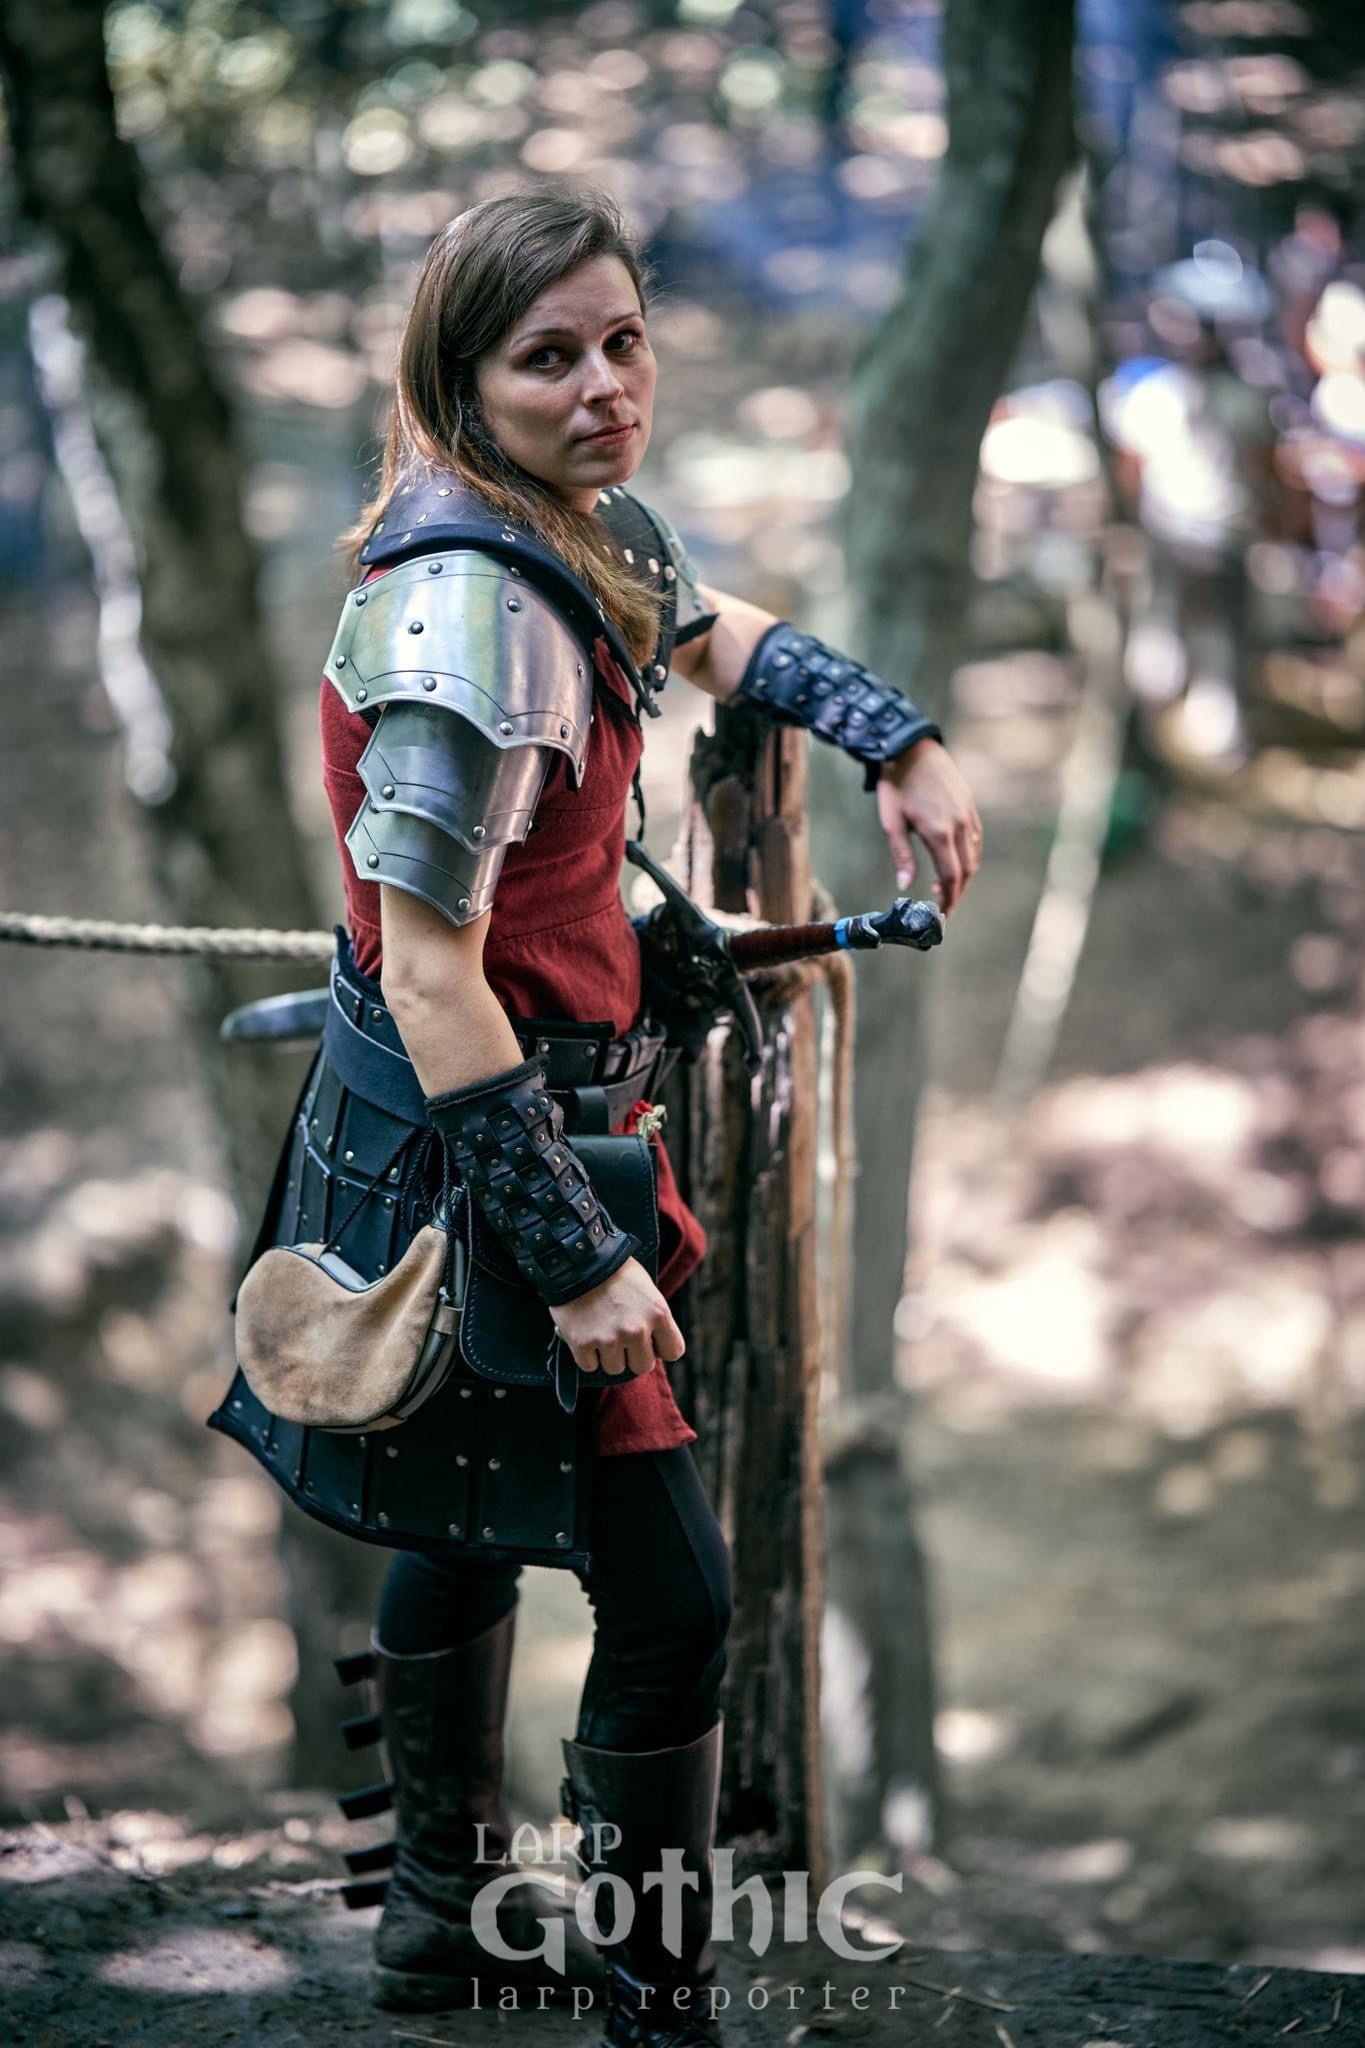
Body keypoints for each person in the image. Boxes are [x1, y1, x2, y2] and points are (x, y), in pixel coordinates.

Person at [209, 185, 982, 2038]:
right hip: (476, 1146)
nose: (604, 387)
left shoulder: (565, 525)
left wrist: (894, 734)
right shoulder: (461, 621)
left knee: (457, 1518)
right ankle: (649, 1995)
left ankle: (436, 1920)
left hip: (499, 1124)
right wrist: (569, 1262)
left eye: (623, 341)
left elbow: (707, 626)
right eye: (548, 358)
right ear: (460, 389)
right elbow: (428, 975)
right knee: (673, 1598)